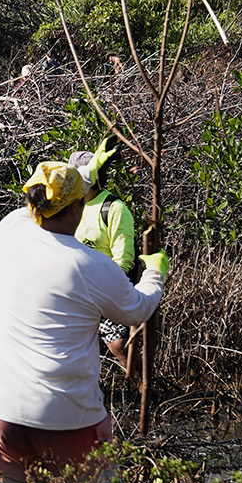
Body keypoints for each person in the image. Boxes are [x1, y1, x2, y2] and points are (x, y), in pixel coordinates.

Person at [0, 162, 167, 483]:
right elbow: (136, 309)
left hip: (3, 410)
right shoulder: (89, 265)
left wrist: (72, 171)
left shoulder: (8, 232)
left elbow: (37, 206)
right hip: (69, 417)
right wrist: (155, 272)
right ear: (79, 209)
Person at [68, 146, 140, 371]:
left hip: (106, 290)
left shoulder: (114, 209)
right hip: (77, 290)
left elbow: (124, 260)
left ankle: (146, 394)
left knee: (118, 346)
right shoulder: (70, 207)